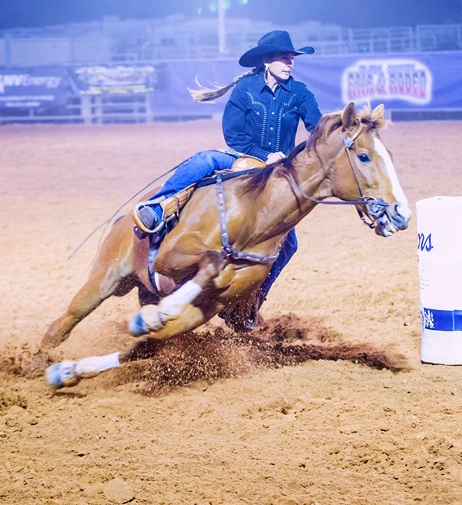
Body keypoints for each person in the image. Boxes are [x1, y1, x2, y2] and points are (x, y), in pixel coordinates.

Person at [134, 30, 322, 330]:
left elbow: (317, 127)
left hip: (279, 174)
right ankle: (157, 208)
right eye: (284, 57)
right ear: (266, 61)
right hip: (243, 159)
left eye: (291, 58)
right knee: (204, 159)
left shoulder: (300, 93)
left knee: (289, 246)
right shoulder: (245, 89)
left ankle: (253, 302)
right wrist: (265, 155)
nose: (290, 62)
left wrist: (336, 128)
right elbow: (234, 135)